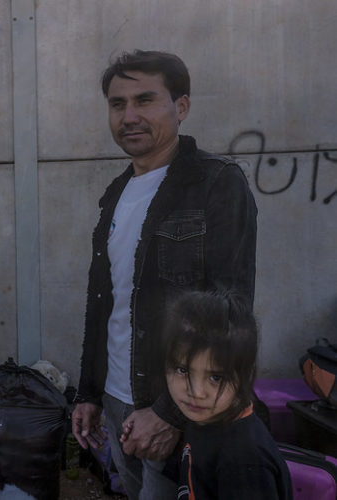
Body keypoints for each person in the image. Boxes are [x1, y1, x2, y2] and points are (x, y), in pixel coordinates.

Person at [71, 50, 257, 500]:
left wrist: (170, 414)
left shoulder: (216, 183)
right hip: (118, 401)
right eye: (118, 104)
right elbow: (106, 303)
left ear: (182, 106)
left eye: (145, 100)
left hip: (176, 408)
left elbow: (228, 313)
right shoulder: (117, 193)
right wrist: (90, 393)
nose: (129, 116)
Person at [159, 290, 292, 499]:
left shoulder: (245, 461)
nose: (196, 392)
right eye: (183, 371)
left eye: (216, 378)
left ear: (246, 375)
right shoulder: (204, 419)